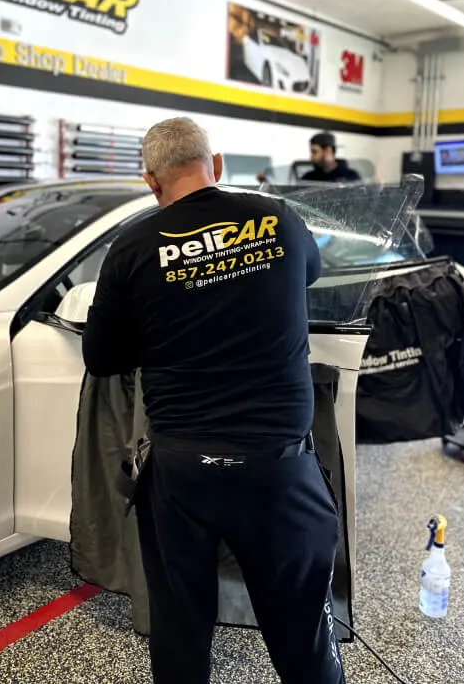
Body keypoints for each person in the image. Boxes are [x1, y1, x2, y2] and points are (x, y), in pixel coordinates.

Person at [82, 117, 344, 684]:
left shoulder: (131, 248)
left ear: (151, 182)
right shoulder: (278, 219)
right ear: (216, 165)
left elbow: (101, 358)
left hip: (183, 476)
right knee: (302, 631)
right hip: (280, 471)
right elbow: (308, 275)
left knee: (180, 628)